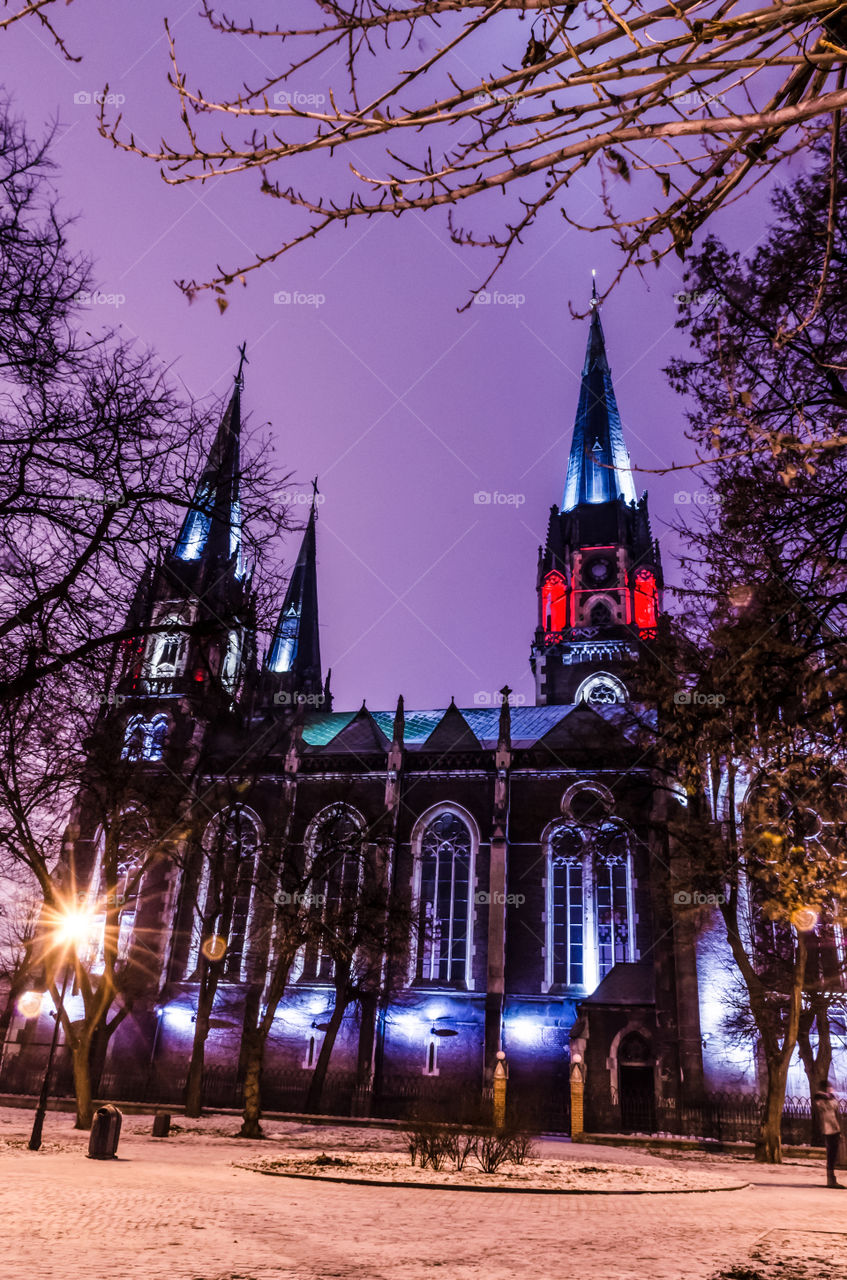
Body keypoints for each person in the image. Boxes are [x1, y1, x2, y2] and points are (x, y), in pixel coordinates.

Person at [814, 1081, 844, 1189]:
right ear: (826, 1088)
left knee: (833, 1155)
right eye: (830, 1087)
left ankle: (832, 1178)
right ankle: (830, 1179)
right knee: (831, 1155)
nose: (832, 1089)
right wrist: (830, 1097)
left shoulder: (827, 1098)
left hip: (833, 1128)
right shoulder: (822, 1099)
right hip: (829, 1129)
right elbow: (830, 1109)